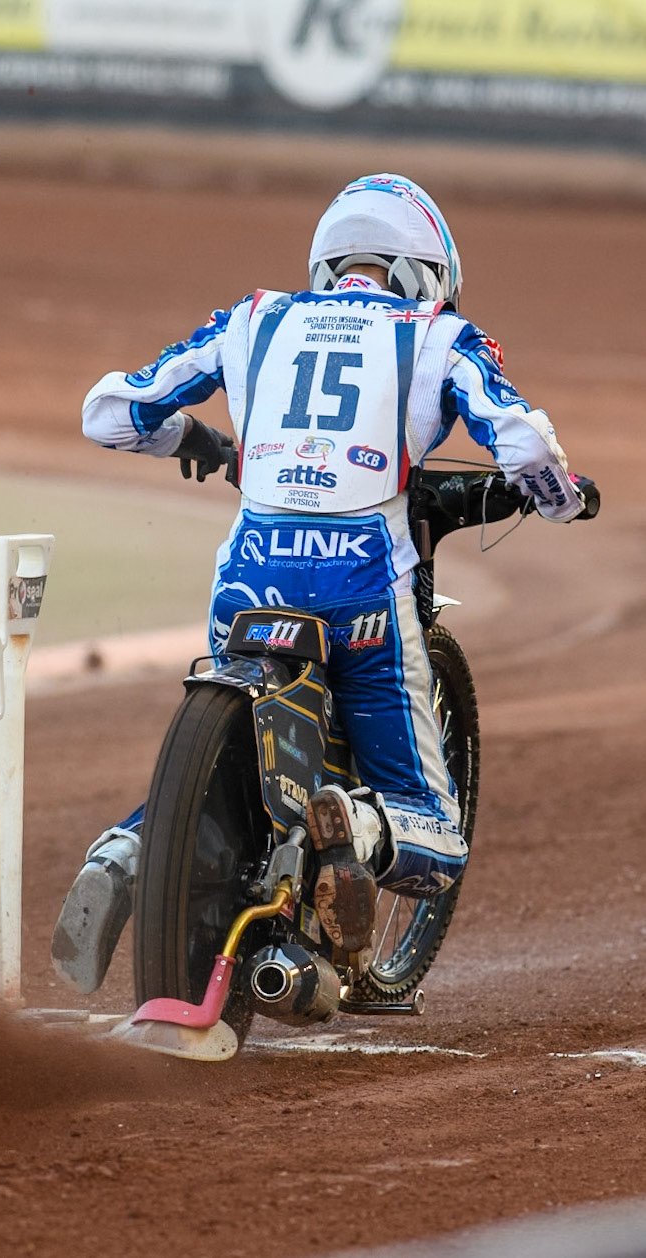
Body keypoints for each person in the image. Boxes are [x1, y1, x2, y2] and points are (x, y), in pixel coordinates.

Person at [51, 173, 585, 991]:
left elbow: (108, 413)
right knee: (435, 834)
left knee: (222, 765)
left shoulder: (251, 318)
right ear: (424, 272)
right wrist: (558, 498)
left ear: (327, 263)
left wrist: (193, 437)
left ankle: (124, 852)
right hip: (359, 587)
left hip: (248, 580)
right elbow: (522, 444)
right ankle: (355, 826)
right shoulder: (439, 335)